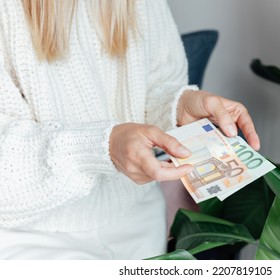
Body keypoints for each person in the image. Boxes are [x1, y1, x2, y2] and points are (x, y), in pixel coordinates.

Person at [0, 0, 260, 259]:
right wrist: (104, 147)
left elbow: (157, 82)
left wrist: (178, 106)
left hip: (138, 219)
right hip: (28, 236)